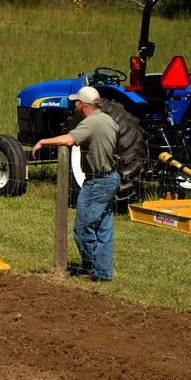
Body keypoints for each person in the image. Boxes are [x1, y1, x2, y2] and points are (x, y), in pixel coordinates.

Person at [31, 86, 119, 281]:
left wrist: (44, 142)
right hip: (111, 177)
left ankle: (90, 269)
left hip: (96, 182)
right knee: (103, 227)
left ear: (82, 104)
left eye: (76, 102)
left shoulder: (90, 123)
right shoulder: (109, 120)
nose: (74, 105)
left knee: (82, 227)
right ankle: (103, 272)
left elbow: (70, 140)